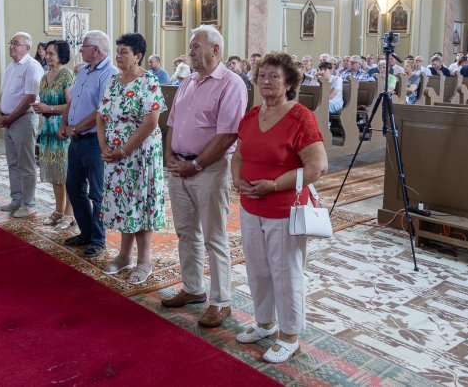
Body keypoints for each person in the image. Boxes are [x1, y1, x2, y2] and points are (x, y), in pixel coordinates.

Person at [231, 51, 328, 364]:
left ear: (289, 83)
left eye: (274, 76)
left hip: (285, 208)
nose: (266, 81)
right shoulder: (251, 115)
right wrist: (237, 179)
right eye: (262, 75)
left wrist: (273, 185)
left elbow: (317, 167)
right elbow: (239, 155)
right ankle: (264, 323)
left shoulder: (300, 117)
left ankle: (289, 336)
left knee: (285, 272)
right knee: (258, 269)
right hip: (250, 206)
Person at [160, 25, 247, 328]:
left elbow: (228, 134)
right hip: (179, 168)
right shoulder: (187, 82)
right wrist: (169, 155)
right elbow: (172, 123)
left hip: (209, 169)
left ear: (215, 50)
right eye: (191, 46)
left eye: (196, 46)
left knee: (214, 236)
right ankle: (193, 287)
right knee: (186, 231)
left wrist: (196, 165)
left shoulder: (231, 83)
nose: (191, 51)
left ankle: (221, 301)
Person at [97, 33, 167, 285]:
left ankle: (144, 261)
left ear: (138, 56)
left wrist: (124, 150)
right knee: (123, 203)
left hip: (139, 156)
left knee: (140, 204)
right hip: (115, 156)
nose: (118, 55)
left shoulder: (149, 81)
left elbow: (151, 122)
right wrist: (104, 146)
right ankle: (124, 256)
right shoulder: (113, 81)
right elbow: (101, 115)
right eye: (117, 51)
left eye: (124, 51)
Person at [58, 30, 118, 258]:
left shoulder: (110, 73)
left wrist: (77, 127)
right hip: (76, 140)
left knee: (97, 193)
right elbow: (72, 101)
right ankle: (86, 232)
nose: (80, 49)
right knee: (74, 188)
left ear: (96, 49)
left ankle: (97, 239)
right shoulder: (84, 71)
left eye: (83, 46)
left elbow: (102, 110)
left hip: (94, 141)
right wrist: (64, 123)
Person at [0, 32, 43, 218]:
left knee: (26, 164)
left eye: (16, 43)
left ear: (27, 48)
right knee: (13, 163)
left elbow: (30, 97)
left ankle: (29, 204)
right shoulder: (11, 66)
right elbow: (4, 92)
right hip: (8, 119)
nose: (12, 46)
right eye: (11, 43)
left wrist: (9, 118)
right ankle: (16, 199)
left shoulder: (32, 66)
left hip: (23, 119)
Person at [30, 40, 76, 229]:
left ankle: (70, 213)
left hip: (62, 130)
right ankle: (58, 210)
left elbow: (72, 105)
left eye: (51, 53)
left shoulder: (67, 75)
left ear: (61, 55)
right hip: (48, 130)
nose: (47, 56)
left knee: (66, 173)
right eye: (46, 53)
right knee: (55, 172)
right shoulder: (44, 77)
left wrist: (48, 108)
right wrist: (40, 108)